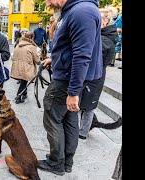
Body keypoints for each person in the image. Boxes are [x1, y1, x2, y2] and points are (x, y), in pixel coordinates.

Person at [38, 0, 103, 176]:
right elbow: (71, 47)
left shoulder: (81, 12)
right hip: (70, 77)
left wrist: (73, 92)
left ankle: (56, 162)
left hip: (67, 81)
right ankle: (66, 162)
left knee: (52, 116)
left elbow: (82, 55)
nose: (48, 3)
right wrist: (56, 59)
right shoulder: (78, 10)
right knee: (69, 118)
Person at [78, 8, 118, 140]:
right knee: (84, 105)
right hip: (90, 77)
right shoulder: (98, 36)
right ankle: (79, 129)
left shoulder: (104, 40)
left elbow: (102, 63)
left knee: (88, 106)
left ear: (105, 21)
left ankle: (82, 132)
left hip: (95, 78)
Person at [11, 31, 40, 104]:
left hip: (17, 67)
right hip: (26, 68)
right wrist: (40, 62)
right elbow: (36, 59)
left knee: (23, 81)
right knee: (24, 82)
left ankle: (24, 94)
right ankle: (18, 97)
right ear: (31, 38)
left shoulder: (18, 45)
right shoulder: (32, 47)